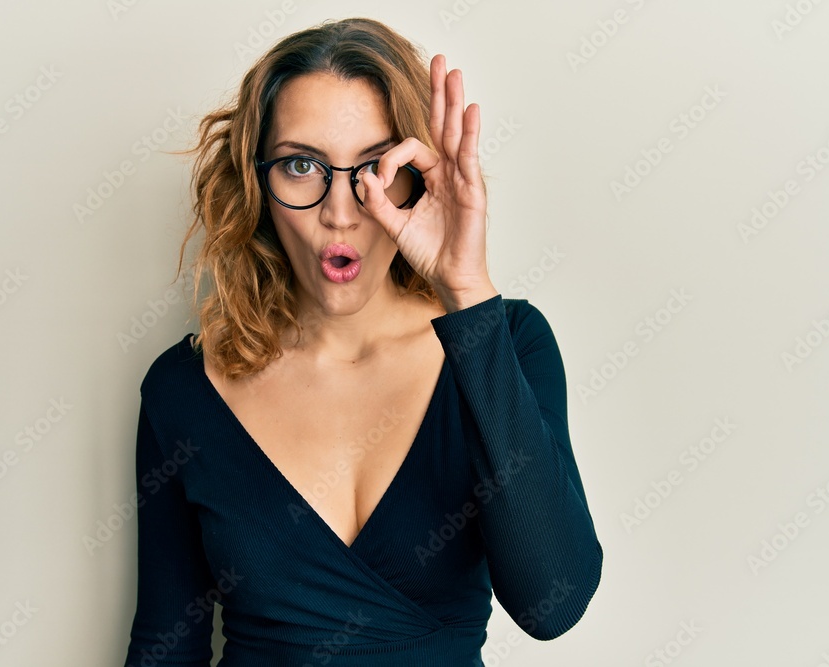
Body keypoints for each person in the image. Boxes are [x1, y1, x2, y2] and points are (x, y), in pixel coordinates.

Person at [123, 16, 603, 666]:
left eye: (375, 166)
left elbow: (554, 600)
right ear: (258, 182)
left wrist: (467, 294)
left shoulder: (508, 342)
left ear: (418, 176)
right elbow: (165, 647)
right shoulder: (182, 389)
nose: (340, 210)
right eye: (300, 165)